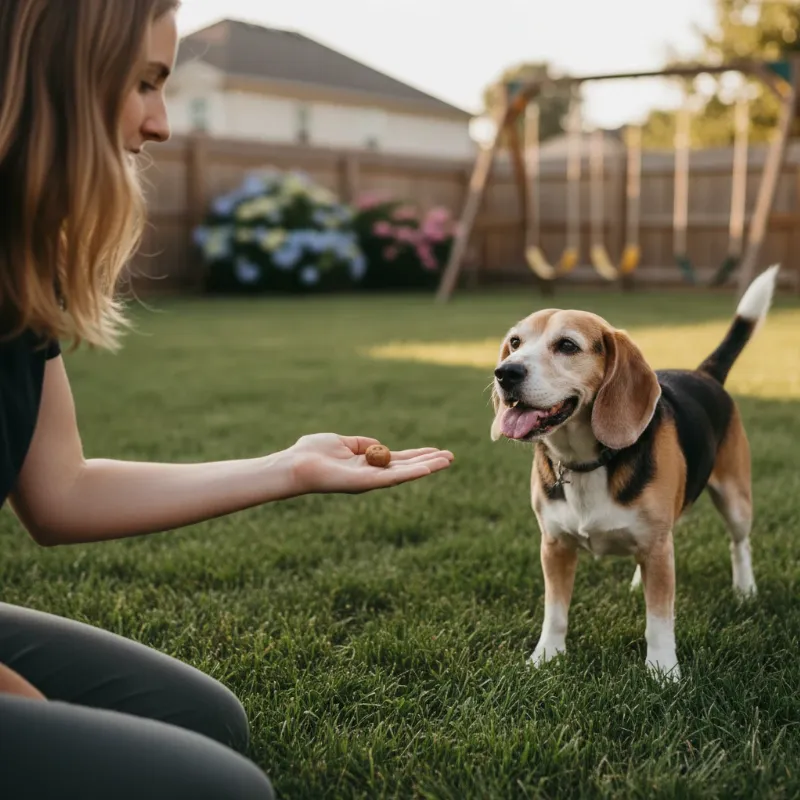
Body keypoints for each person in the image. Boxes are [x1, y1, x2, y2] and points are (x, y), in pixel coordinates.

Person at [0, 2, 454, 798]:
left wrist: (288, 468)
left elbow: (59, 490)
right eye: (143, 83)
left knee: (206, 721)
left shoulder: (15, 269)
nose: (163, 122)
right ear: (55, 75)